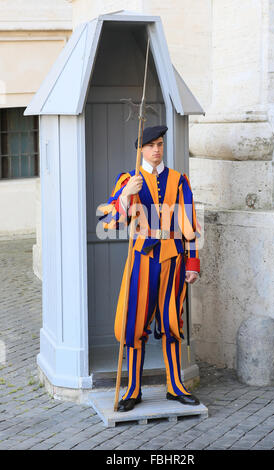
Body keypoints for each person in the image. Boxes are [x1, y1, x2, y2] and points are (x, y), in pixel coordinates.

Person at [97, 125, 201, 412]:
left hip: (174, 260)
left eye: (160, 144)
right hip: (142, 260)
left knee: (171, 323)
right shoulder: (128, 179)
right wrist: (125, 196)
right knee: (134, 324)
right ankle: (133, 390)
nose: (156, 149)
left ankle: (175, 387)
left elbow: (189, 224)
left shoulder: (180, 181)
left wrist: (192, 263)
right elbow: (112, 222)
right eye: (150, 145)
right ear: (140, 149)